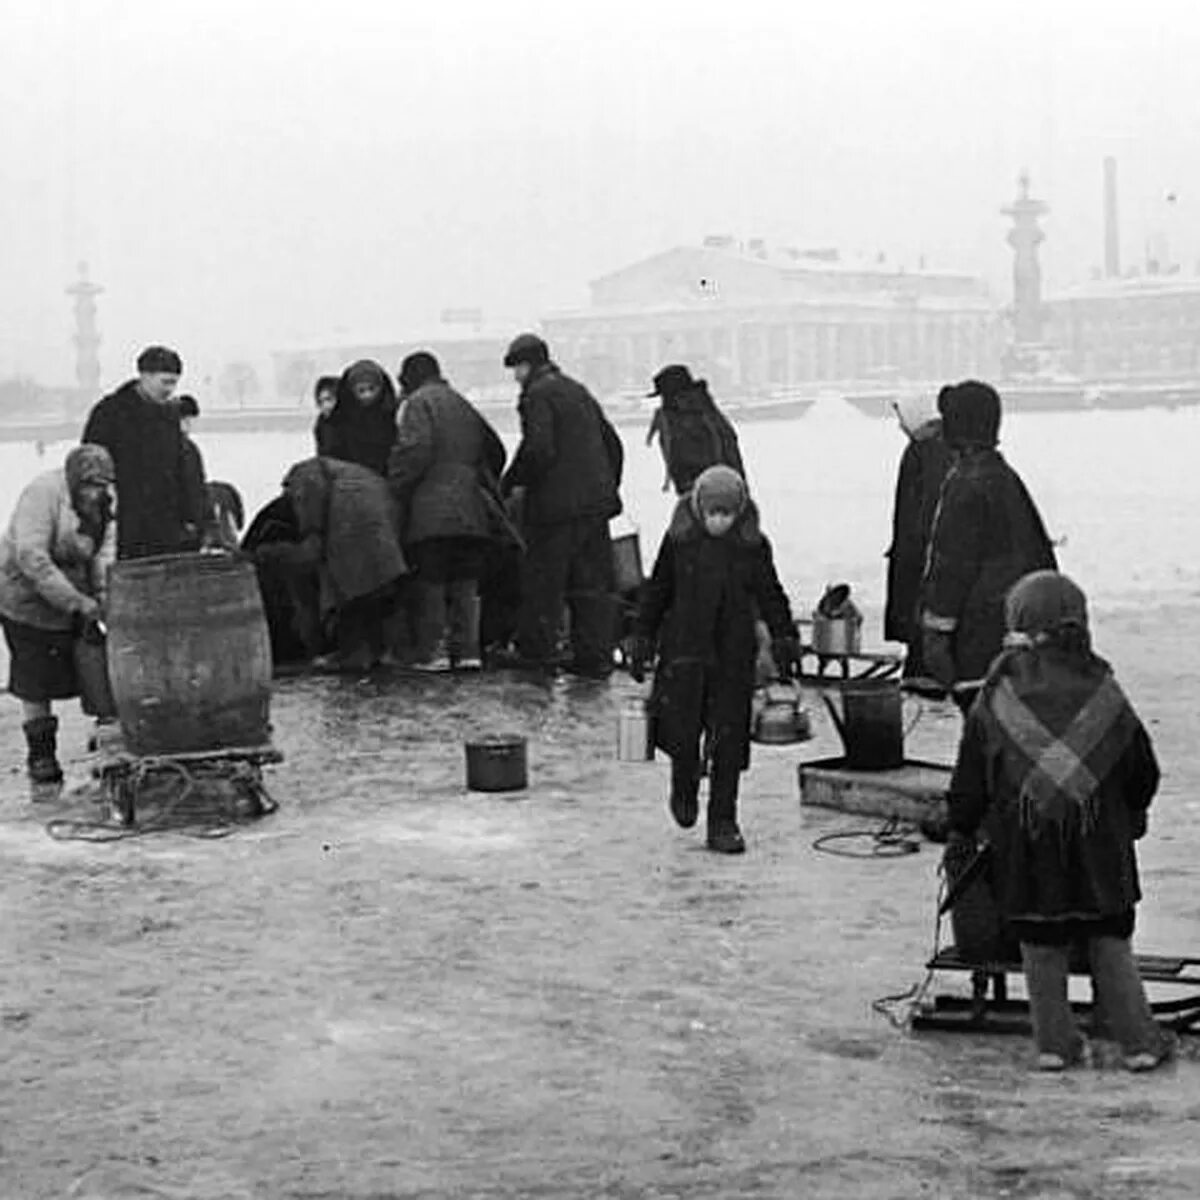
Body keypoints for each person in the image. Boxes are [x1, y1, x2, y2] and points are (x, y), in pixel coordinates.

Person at [945, 570, 1172, 1072]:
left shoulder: (997, 695)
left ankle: (1054, 1045)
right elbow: (1142, 771)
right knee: (1110, 941)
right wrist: (1132, 814)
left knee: (1040, 944)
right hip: (1100, 848)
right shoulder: (1104, 692)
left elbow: (971, 777)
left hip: (1026, 849)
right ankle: (1138, 1043)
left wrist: (961, 826)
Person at [630, 466, 800, 854]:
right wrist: (641, 635)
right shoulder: (679, 542)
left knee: (728, 740)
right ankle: (683, 786)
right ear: (699, 508)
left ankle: (724, 821)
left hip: (733, 655)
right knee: (682, 732)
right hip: (684, 653)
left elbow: (771, 593)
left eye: (727, 512)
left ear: (739, 511)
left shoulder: (752, 545)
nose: (719, 520)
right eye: (713, 511)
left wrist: (784, 637)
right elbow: (657, 591)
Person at [920, 380, 1057, 708]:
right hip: (1021, 631)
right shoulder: (1005, 477)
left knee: (987, 731)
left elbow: (952, 564)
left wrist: (936, 633)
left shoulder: (966, 484)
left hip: (979, 637)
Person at [499, 333, 625, 677]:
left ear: (527, 364)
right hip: (594, 506)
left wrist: (511, 481)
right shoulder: (576, 390)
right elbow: (612, 443)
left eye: (517, 368)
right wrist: (604, 488)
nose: (515, 377)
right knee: (591, 585)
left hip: (556, 509)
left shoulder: (536, 394)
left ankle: (536, 652)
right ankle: (594, 656)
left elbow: (538, 448)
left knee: (543, 582)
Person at [0, 445, 116, 783]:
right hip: (25, 595)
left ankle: (107, 736)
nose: (97, 492)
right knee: (35, 678)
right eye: (90, 484)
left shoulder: (106, 505)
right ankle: (42, 755)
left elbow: (104, 552)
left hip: (73, 589)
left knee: (93, 660)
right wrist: (76, 602)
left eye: (104, 484)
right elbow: (31, 557)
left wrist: (100, 598)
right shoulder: (42, 494)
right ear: (74, 479)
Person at [387, 351, 507, 671]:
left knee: (432, 581)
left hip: (431, 508)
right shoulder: (461, 402)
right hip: (471, 508)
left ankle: (435, 652)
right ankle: (469, 652)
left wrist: (395, 484)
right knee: (466, 581)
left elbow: (416, 450)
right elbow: (495, 448)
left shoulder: (417, 404)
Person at [251, 457, 407, 672]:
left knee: (351, 588)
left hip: (349, 517)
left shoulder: (302, 477)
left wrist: (273, 552)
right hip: (384, 514)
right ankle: (373, 652)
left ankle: (353, 655)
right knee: (376, 585)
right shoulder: (347, 471)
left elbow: (311, 545)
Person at [81, 345, 208, 559]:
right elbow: (89, 468)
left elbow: (186, 474)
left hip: (170, 526)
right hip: (127, 522)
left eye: (174, 383)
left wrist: (197, 521)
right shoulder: (110, 413)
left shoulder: (170, 416)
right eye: (165, 382)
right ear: (145, 376)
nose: (170, 389)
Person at [884, 387, 953, 684]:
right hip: (915, 546)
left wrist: (916, 542)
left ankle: (923, 673)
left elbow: (925, 504)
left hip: (919, 549)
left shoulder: (928, 451)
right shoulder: (929, 447)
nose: (900, 425)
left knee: (919, 612)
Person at [646, 364, 745, 496]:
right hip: (707, 490)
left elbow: (720, 454)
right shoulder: (699, 413)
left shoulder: (697, 418)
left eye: (665, 396)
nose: (663, 402)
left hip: (714, 491)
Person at [320, 360, 398, 475]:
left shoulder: (394, 416)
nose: (367, 395)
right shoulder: (337, 421)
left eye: (372, 389)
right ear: (351, 391)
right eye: (361, 390)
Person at [312, 374, 339, 456]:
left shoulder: (355, 423)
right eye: (321, 402)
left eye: (329, 399)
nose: (325, 406)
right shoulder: (321, 425)